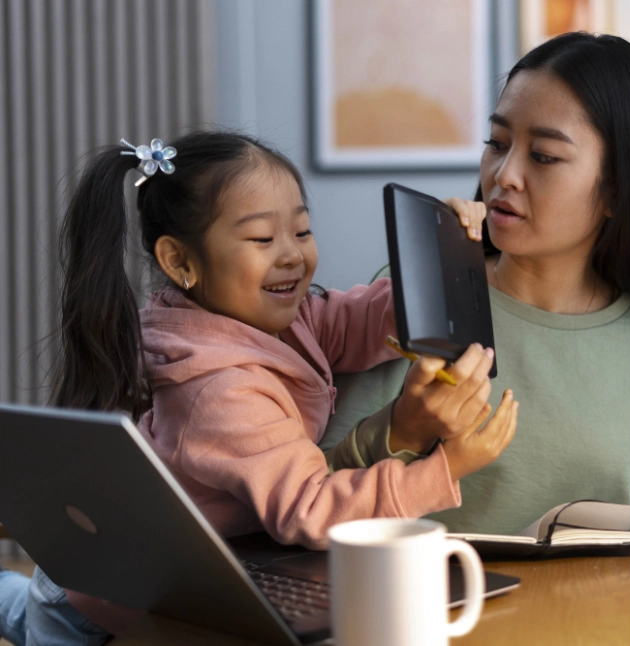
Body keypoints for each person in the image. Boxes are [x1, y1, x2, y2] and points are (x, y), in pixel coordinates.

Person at [0, 130, 517, 646]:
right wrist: (444, 469)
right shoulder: (219, 391)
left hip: (188, 573)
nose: (292, 256)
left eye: (302, 231)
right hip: (100, 600)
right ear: (180, 262)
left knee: (22, 607)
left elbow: (359, 321)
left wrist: (446, 250)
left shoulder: (281, 319)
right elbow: (313, 512)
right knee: (28, 621)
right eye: (262, 240)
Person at [322, 32, 630, 544]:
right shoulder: (413, 293)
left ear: (616, 189)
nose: (505, 175)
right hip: (429, 614)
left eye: (543, 156)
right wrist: (401, 430)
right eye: (497, 144)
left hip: (588, 621)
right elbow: (315, 493)